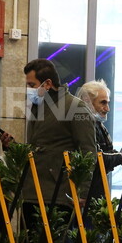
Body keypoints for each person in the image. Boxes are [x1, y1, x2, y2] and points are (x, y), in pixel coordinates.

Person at [23, 58, 98, 209]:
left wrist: (83, 192)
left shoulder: (75, 107)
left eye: (32, 85)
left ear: (48, 84)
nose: (28, 90)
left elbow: (88, 152)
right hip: (32, 192)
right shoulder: (39, 107)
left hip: (58, 196)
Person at [76, 79, 122, 196]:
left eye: (107, 103)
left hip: (95, 189)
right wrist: (118, 157)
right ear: (87, 102)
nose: (107, 108)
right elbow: (96, 158)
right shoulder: (85, 125)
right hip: (87, 192)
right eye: (103, 103)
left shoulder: (97, 124)